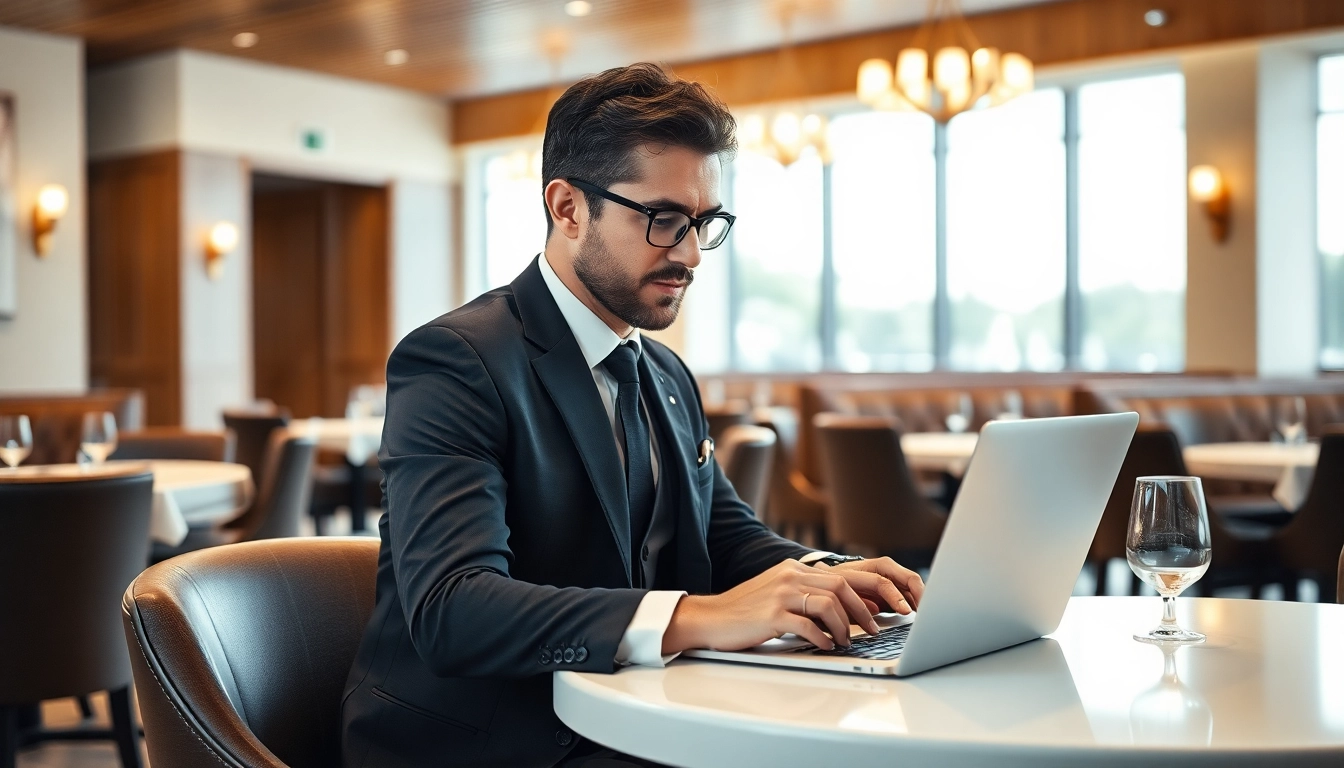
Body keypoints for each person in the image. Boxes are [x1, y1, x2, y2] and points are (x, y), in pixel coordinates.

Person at [341, 62, 924, 768]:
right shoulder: (456, 360)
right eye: (663, 220)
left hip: (631, 714)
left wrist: (835, 577)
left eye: (703, 224)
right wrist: (700, 616)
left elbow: (724, 535)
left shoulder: (664, 372)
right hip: (490, 741)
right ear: (567, 208)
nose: (688, 255)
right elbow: (455, 610)